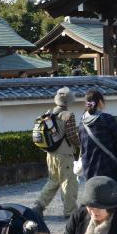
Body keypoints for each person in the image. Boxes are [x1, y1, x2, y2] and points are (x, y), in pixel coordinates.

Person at [34, 87, 81, 219]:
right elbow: (72, 136)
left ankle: (38, 205)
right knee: (69, 182)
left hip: (50, 153)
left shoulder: (48, 114)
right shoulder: (68, 115)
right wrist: (81, 144)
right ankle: (70, 212)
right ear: (69, 102)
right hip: (64, 154)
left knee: (53, 181)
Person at [79, 89, 117, 187]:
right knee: (112, 197)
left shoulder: (82, 121)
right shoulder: (106, 118)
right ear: (100, 102)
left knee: (93, 197)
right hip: (107, 166)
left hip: (88, 168)